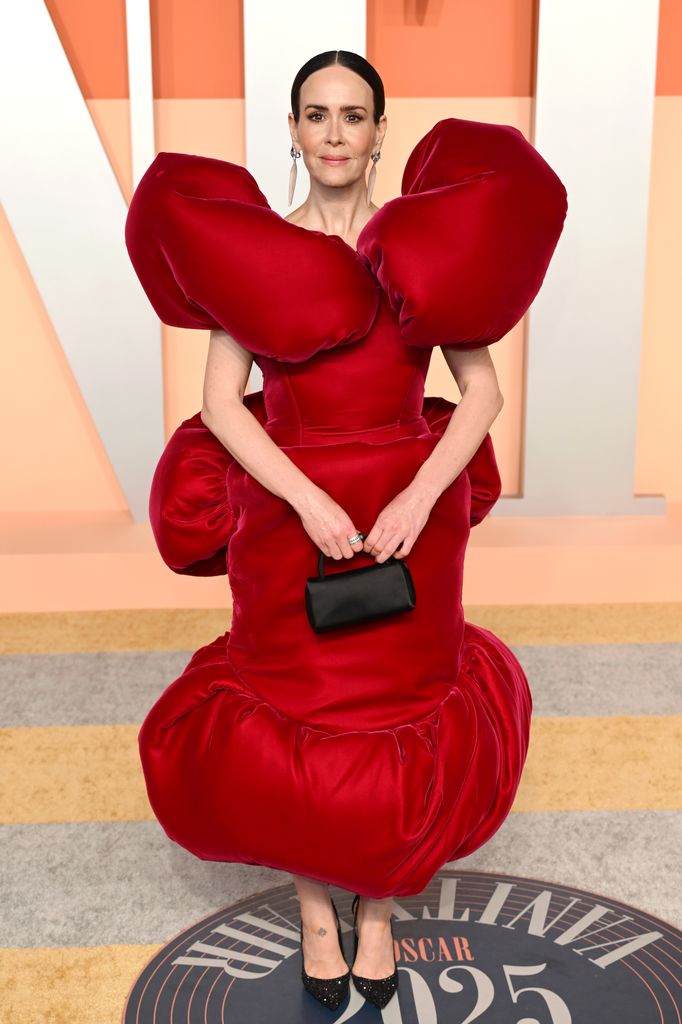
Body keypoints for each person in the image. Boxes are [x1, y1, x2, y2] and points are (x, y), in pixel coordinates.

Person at [125, 49, 567, 1013]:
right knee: (302, 719)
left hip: (414, 524)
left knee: (394, 708)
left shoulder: (425, 255)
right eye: (316, 115)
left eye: (353, 116)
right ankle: (318, 916)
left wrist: (415, 499)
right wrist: (306, 503)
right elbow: (224, 407)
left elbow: (483, 392)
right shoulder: (257, 253)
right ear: (292, 132)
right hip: (288, 519)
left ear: (379, 133)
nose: (334, 133)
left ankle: (378, 918)